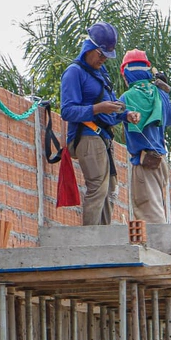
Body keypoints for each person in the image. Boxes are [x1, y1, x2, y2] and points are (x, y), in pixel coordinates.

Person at [60, 22, 141, 225]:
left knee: (111, 189)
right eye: (101, 54)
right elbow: (67, 111)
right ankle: (90, 239)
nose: (103, 59)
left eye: (107, 55)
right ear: (89, 48)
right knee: (98, 187)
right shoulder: (74, 72)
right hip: (86, 135)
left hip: (103, 137)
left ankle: (103, 236)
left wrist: (127, 114)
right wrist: (97, 109)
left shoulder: (100, 73)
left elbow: (112, 104)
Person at [119, 49, 171, 223]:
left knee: (148, 213)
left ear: (127, 73)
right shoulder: (159, 94)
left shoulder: (126, 97)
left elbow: (108, 116)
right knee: (157, 206)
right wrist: (165, 93)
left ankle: (158, 249)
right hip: (161, 162)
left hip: (145, 163)